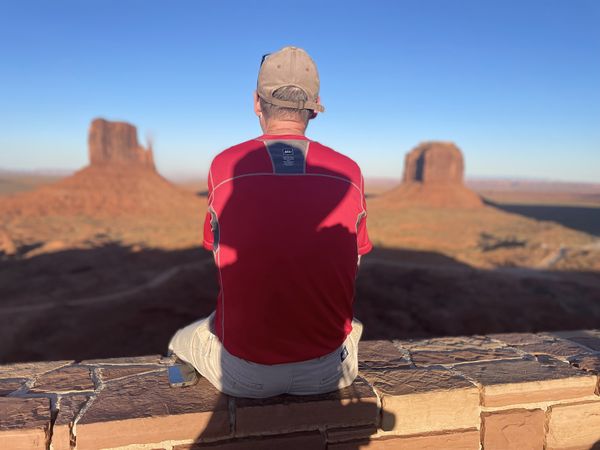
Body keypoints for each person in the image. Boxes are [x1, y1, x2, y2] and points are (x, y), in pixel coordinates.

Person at [168, 46, 372, 398]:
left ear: (256, 103)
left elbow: (218, 254)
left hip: (245, 375)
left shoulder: (225, 166)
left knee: (182, 338)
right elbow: (353, 260)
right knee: (350, 324)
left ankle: (179, 377)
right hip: (330, 371)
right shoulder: (349, 171)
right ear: (314, 108)